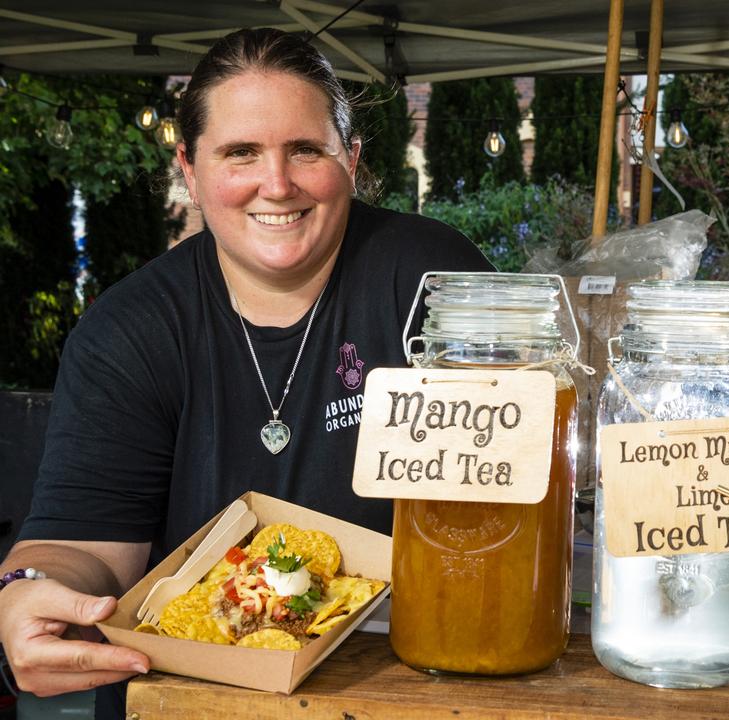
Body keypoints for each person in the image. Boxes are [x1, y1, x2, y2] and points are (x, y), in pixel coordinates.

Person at [0, 28, 492, 715]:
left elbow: (505, 497)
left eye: (306, 150)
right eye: (241, 153)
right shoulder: (130, 330)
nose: (277, 184)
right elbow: (84, 544)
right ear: (190, 168)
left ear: (349, 158)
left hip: (412, 685)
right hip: (193, 699)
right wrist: (30, 588)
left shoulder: (432, 281)